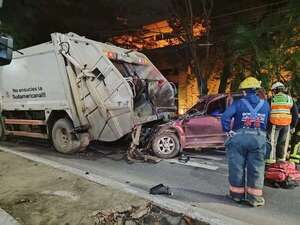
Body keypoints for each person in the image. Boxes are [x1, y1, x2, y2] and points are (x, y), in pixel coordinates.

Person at [221, 77, 270, 207]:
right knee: (257, 168)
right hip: (259, 138)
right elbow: (269, 121)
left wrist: (227, 131)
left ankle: (236, 196)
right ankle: (254, 198)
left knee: (237, 167)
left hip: (239, 138)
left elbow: (225, 117)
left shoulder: (238, 103)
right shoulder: (265, 104)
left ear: (244, 91)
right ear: (257, 90)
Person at [266, 82, 298, 164]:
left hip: (274, 124)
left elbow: (266, 112)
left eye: (273, 90)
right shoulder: (290, 99)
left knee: (272, 142)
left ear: (276, 90)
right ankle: (281, 160)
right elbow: (295, 113)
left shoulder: (271, 99)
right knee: (283, 143)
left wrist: (266, 125)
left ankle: (270, 160)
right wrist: (293, 126)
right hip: (286, 125)